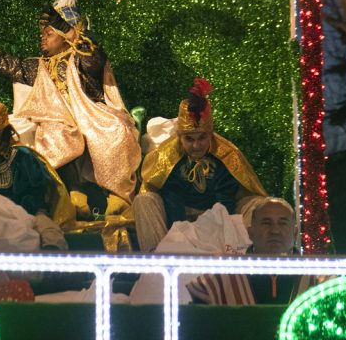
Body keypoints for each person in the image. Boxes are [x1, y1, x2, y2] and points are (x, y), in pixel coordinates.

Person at [0, 0, 141, 220]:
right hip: (57, 123)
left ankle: (118, 197)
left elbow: (95, 57)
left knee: (115, 131)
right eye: (43, 33)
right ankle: (75, 195)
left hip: (94, 117)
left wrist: (69, 29)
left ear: (66, 35)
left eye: (50, 33)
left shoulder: (81, 58)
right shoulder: (35, 67)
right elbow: (3, 63)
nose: (43, 37)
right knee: (60, 133)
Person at [133, 77, 267, 253]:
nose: (196, 146)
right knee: (143, 200)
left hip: (219, 217)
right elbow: (173, 199)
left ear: (210, 134)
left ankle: (232, 265)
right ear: (179, 137)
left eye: (202, 138)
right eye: (189, 139)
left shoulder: (226, 156)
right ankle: (161, 264)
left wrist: (211, 238)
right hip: (177, 218)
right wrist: (181, 241)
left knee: (259, 204)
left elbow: (224, 205)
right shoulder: (167, 157)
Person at [0, 99, 74, 250]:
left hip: (30, 213)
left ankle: (53, 269)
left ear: (0, 132)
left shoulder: (23, 155)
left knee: (49, 232)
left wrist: (19, 213)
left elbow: (39, 190)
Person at [186, 197, 322, 305]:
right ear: (250, 232)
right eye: (266, 222)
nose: (275, 231)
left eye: (283, 223)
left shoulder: (319, 282)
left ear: (295, 232)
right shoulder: (219, 282)